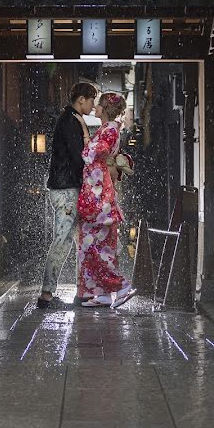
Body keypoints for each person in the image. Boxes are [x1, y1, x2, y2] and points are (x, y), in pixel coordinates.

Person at [36, 82, 98, 309]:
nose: (93, 105)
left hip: (66, 188)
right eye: (91, 100)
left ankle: (70, 293)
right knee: (62, 241)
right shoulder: (70, 121)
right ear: (81, 99)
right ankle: (46, 296)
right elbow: (79, 158)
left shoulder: (71, 119)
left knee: (72, 241)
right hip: (65, 190)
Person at [77, 93, 136, 309]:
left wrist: (86, 144)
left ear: (105, 108)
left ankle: (121, 285)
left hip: (99, 193)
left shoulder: (110, 129)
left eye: (99, 104)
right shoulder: (108, 128)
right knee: (92, 246)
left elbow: (94, 152)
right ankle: (101, 293)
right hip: (98, 190)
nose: (95, 107)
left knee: (96, 247)